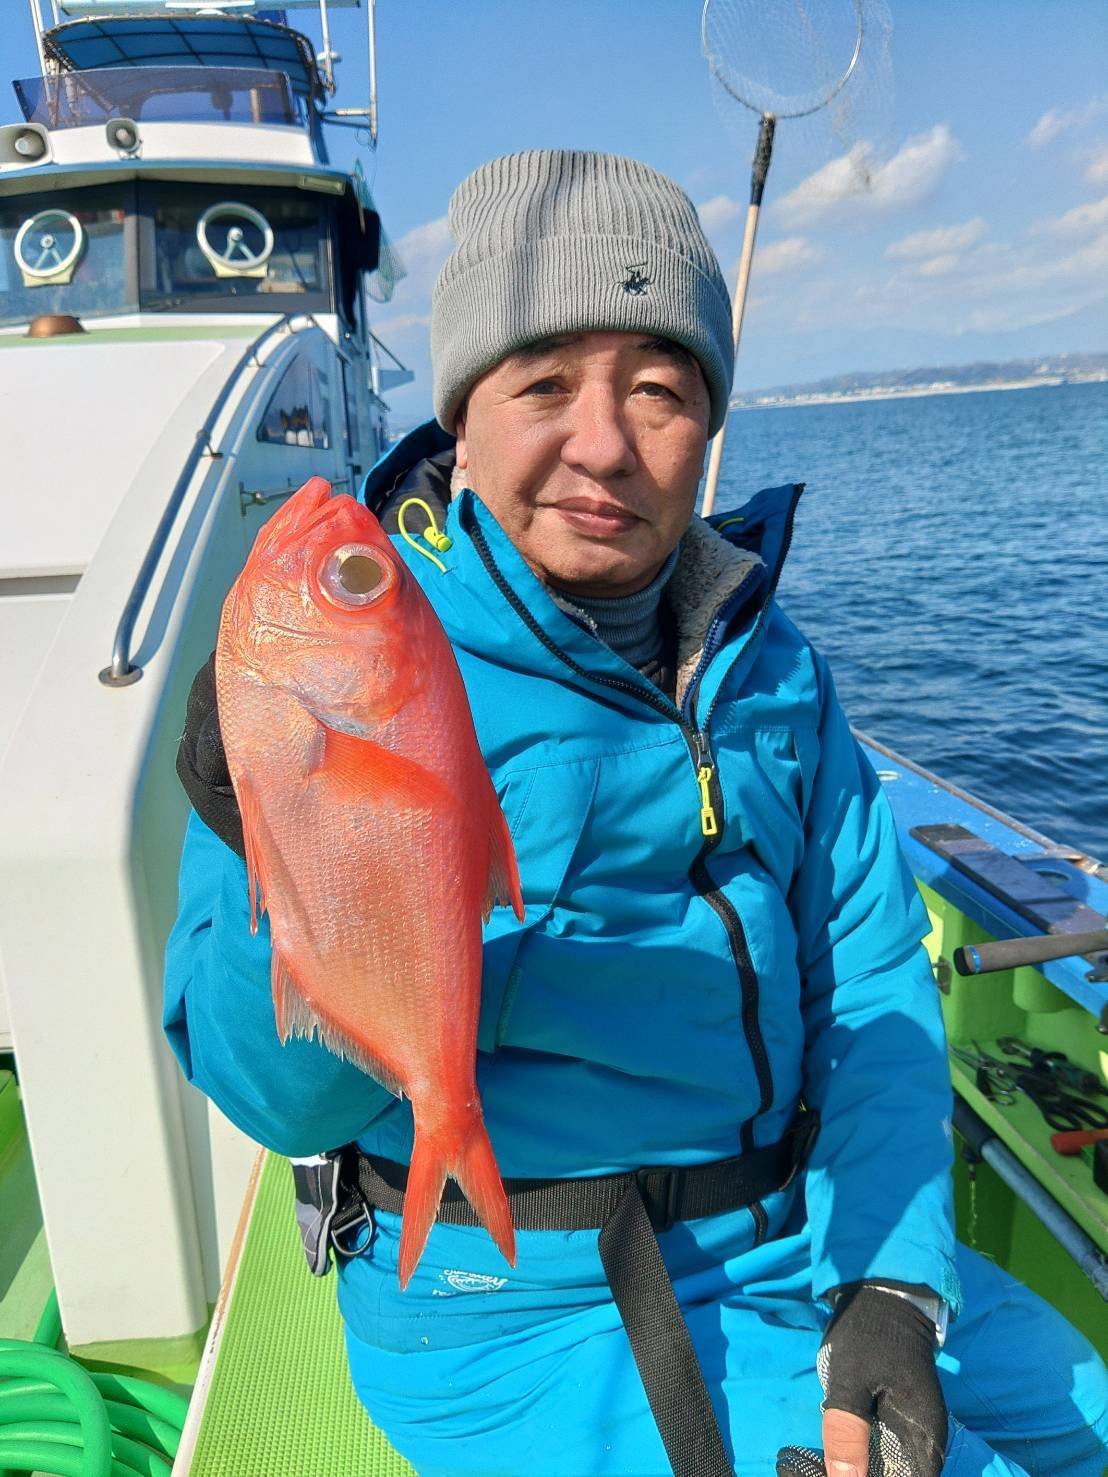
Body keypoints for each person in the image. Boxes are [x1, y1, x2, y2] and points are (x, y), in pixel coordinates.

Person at [165, 150, 1108, 1477]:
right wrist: (273, 833)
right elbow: (279, 1100)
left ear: (709, 426)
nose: (604, 444)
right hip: (526, 1305)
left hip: (806, 1233)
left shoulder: (775, 670)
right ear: (462, 419)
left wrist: (891, 1282)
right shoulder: (353, 671)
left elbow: (873, 984)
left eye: (660, 389)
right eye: (544, 383)